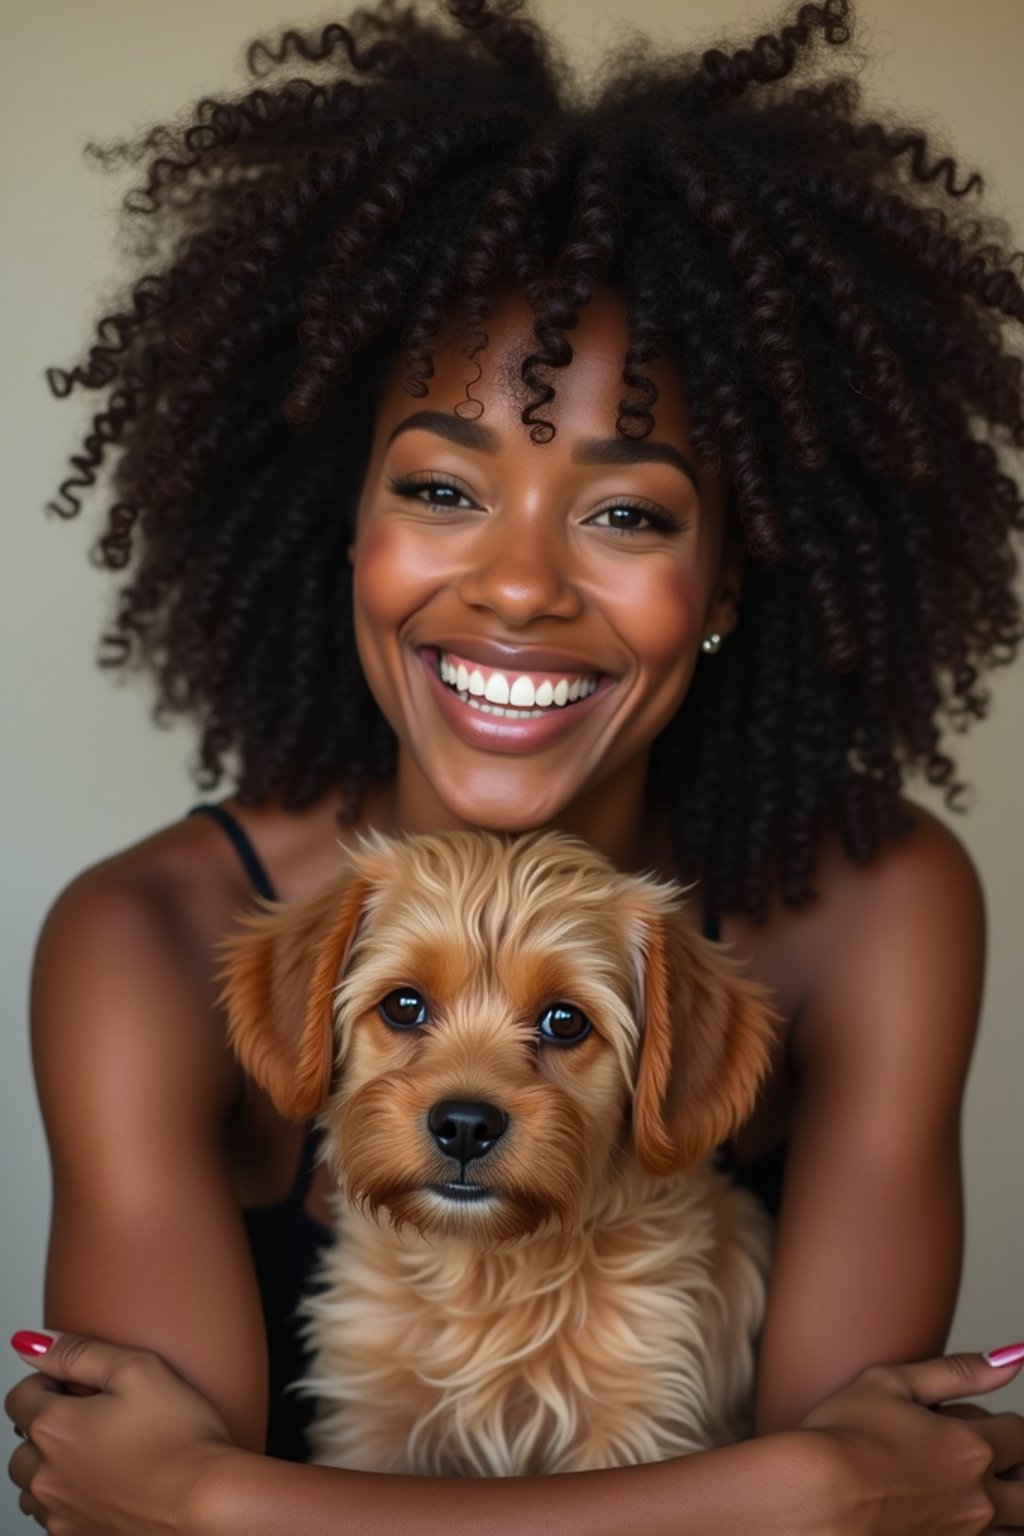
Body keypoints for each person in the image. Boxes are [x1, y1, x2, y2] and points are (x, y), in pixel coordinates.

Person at [6, 0, 1024, 1529]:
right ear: (340, 522)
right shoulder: (143, 938)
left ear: (734, 576)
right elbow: (855, 1495)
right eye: (440, 486)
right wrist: (800, 1487)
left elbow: (161, 1497)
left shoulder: (881, 899)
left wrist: (220, 1501)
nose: (524, 585)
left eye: (628, 512)